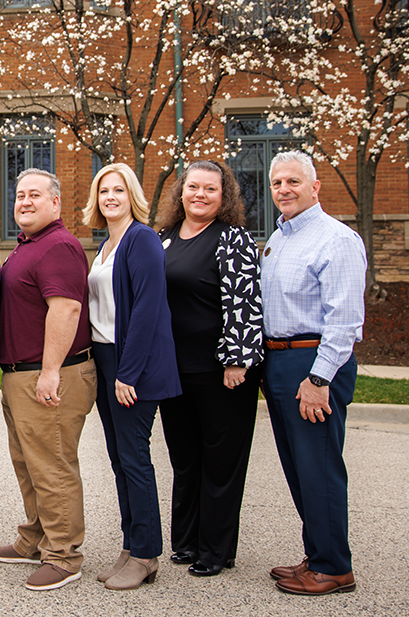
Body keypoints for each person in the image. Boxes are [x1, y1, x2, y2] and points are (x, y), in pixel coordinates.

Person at [261, 151, 366, 596]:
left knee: (319, 467)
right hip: (280, 362)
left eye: (293, 182)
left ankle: (333, 567)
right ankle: (317, 552)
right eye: (277, 183)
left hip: (314, 362)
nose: (284, 189)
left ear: (315, 186)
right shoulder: (279, 239)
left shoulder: (335, 240)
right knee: (299, 468)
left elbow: (344, 321)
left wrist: (319, 379)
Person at [0, 168, 97, 592]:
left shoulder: (60, 246)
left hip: (50, 374)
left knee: (52, 466)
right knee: (29, 463)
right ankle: (36, 537)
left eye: (35, 195)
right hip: (22, 374)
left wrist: (49, 372)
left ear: (56, 203)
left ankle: (64, 555)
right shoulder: (28, 246)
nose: (25, 202)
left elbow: (66, 309)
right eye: (19, 195)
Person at [155, 161, 263, 577]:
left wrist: (237, 359)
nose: (200, 195)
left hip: (222, 371)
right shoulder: (163, 239)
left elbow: (245, 302)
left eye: (210, 189)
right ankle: (185, 541)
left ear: (225, 196)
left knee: (221, 464)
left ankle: (215, 551)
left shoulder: (232, 239)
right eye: (193, 187)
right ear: (180, 192)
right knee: (185, 460)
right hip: (175, 371)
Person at [83, 162, 180, 591]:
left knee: (135, 458)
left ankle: (146, 554)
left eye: (118, 190)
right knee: (120, 458)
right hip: (106, 359)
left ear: (132, 195)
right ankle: (130, 544)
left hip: (130, 365)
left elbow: (146, 311)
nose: (110, 198)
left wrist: (128, 372)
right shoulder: (107, 244)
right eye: (104, 191)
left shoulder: (142, 239)